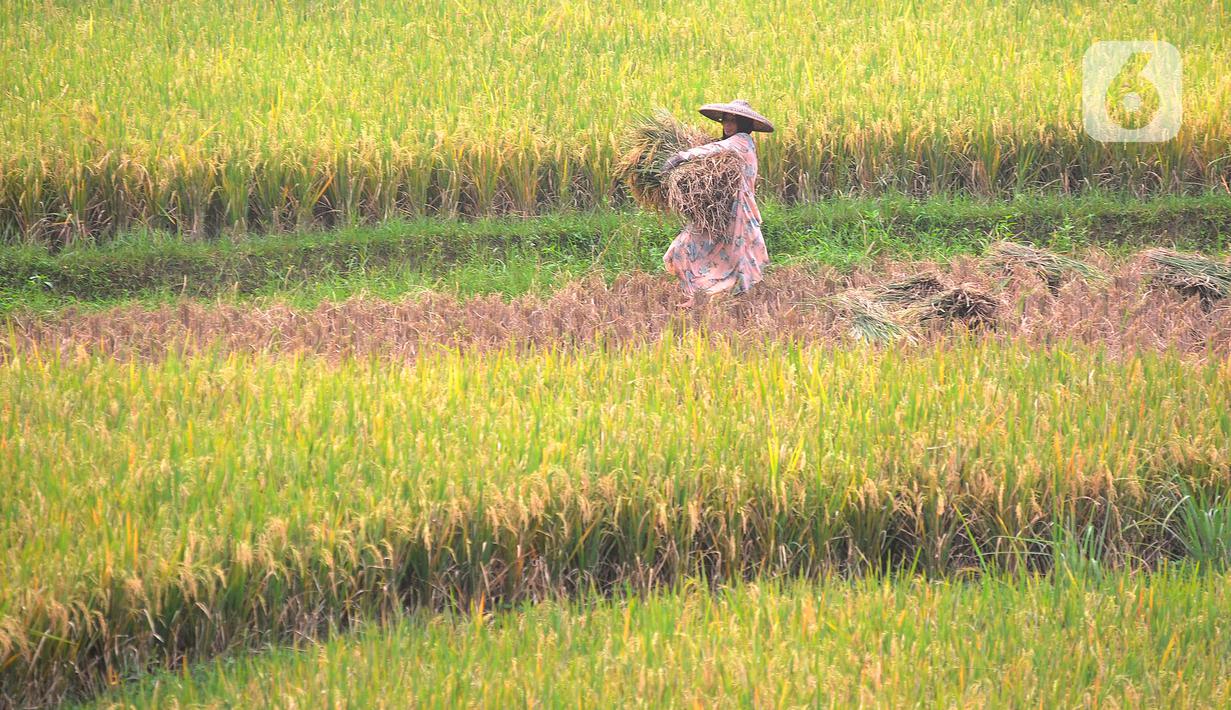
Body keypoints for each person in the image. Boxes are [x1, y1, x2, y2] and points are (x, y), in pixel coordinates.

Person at [659, 99, 774, 308]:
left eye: (733, 120)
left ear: (743, 124)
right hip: (723, 209)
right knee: (687, 246)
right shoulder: (735, 143)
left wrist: (681, 157)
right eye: (725, 120)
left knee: (736, 256)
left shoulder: (742, 141)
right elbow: (718, 150)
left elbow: (714, 149)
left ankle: (731, 301)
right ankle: (702, 295)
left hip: (738, 209)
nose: (727, 125)